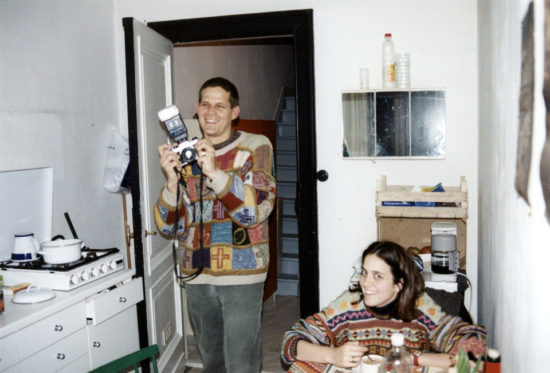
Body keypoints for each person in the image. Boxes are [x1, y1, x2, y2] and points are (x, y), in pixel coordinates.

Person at [154, 77, 276, 372]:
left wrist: (214, 172)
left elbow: (254, 212)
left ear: (235, 111)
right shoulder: (186, 154)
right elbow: (168, 228)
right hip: (197, 274)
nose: (211, 112)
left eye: (220, 105)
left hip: (242, 272)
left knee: (241, 362)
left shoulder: (255, 146)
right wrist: (172, 183)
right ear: (196, 108)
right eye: (205, 104)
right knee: (212, 362)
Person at [281, 241, 486, 372]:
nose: (365, 283)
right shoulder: (348, 303)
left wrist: (412, 360)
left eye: (377, 276)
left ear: (399, 284)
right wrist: (332, 355)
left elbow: (472, 344)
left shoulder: (421, 306)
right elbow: (291, 341)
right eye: (364, 272)